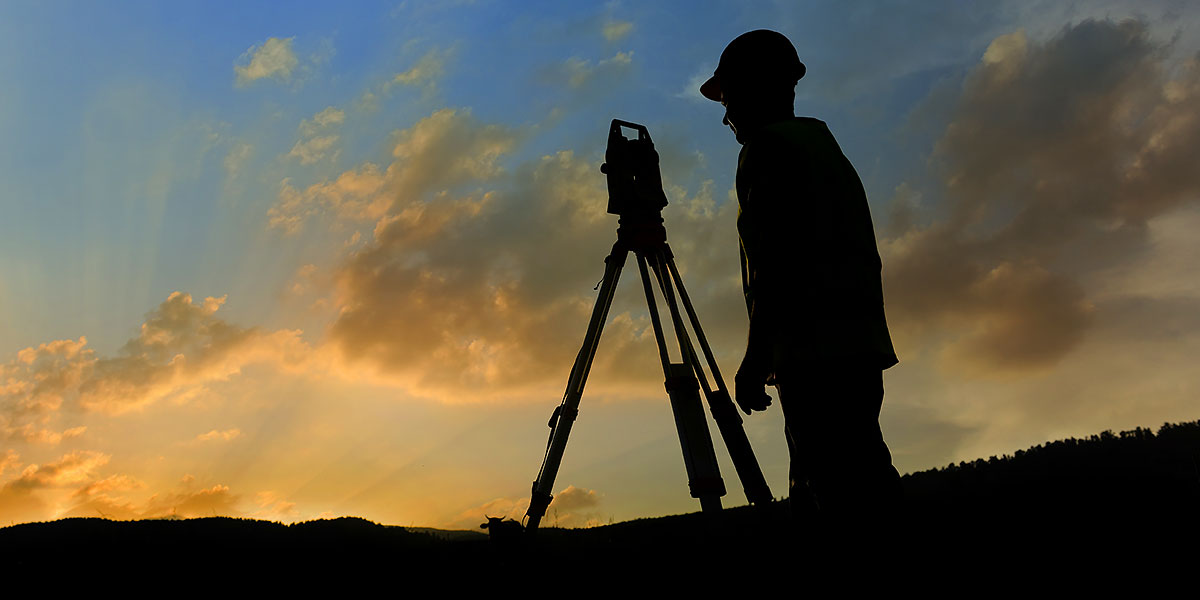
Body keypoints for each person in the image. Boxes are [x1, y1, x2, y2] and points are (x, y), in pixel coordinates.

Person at [700, 30, 902, 533]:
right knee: (858, 486)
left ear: (754, 89)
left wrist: (754, 359)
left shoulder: (766, 150)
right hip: (858, 348)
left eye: (729, 99)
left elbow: (778, 264)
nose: (726, 117)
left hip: (815, 356)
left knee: (841, 500)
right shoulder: (820, 144)